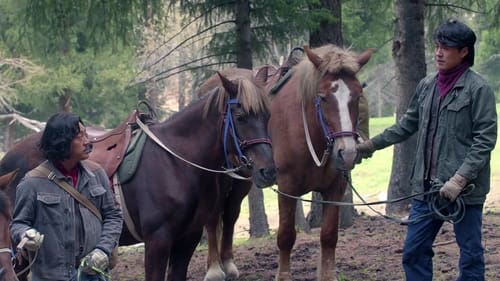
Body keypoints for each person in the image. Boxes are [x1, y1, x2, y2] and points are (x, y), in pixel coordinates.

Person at [357, 19, 497, 281]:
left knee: (470, 256)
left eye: (446, 47)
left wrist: (459, 179)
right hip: (426, 190)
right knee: (413, 252)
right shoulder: (427, 85)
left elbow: (485, 140)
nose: (438, 52)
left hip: (463, 193)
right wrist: (369, 145)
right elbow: (406, 125)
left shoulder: (479, 90)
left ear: (464, 51)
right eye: (436, 46)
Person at [10, 112, 123, 281]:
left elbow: (113, 216)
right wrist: (25, 235)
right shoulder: (32, 182)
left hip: (92, 274)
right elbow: (18, 224)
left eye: (86, 134)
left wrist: (103, 250)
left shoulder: (97, 174)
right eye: (80, 136)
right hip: (49, 276)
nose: (87, 141)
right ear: (61, 141)